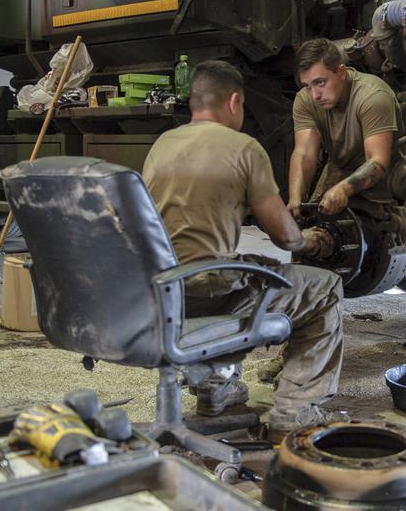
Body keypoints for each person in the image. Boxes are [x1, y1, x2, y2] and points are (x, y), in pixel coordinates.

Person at [142, 60, 344, 441]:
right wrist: (311, 240)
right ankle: (294, 409)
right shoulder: (244, 147)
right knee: (323, 287)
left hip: (159, 292)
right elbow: (285, 238)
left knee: (244, 267)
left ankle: (217, 388)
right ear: (235, 102)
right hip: (206, 288)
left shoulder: (162, 144)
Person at [287, 38, 402, 218]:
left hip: (386, 179)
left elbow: (378, 162)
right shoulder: (305, 100)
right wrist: (295, 199)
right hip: (339, 169)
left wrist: (342, 189)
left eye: (320, 83)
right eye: (307, 86)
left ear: (341, 72)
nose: (315, 95)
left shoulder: (372, 96)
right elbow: (304, 153)